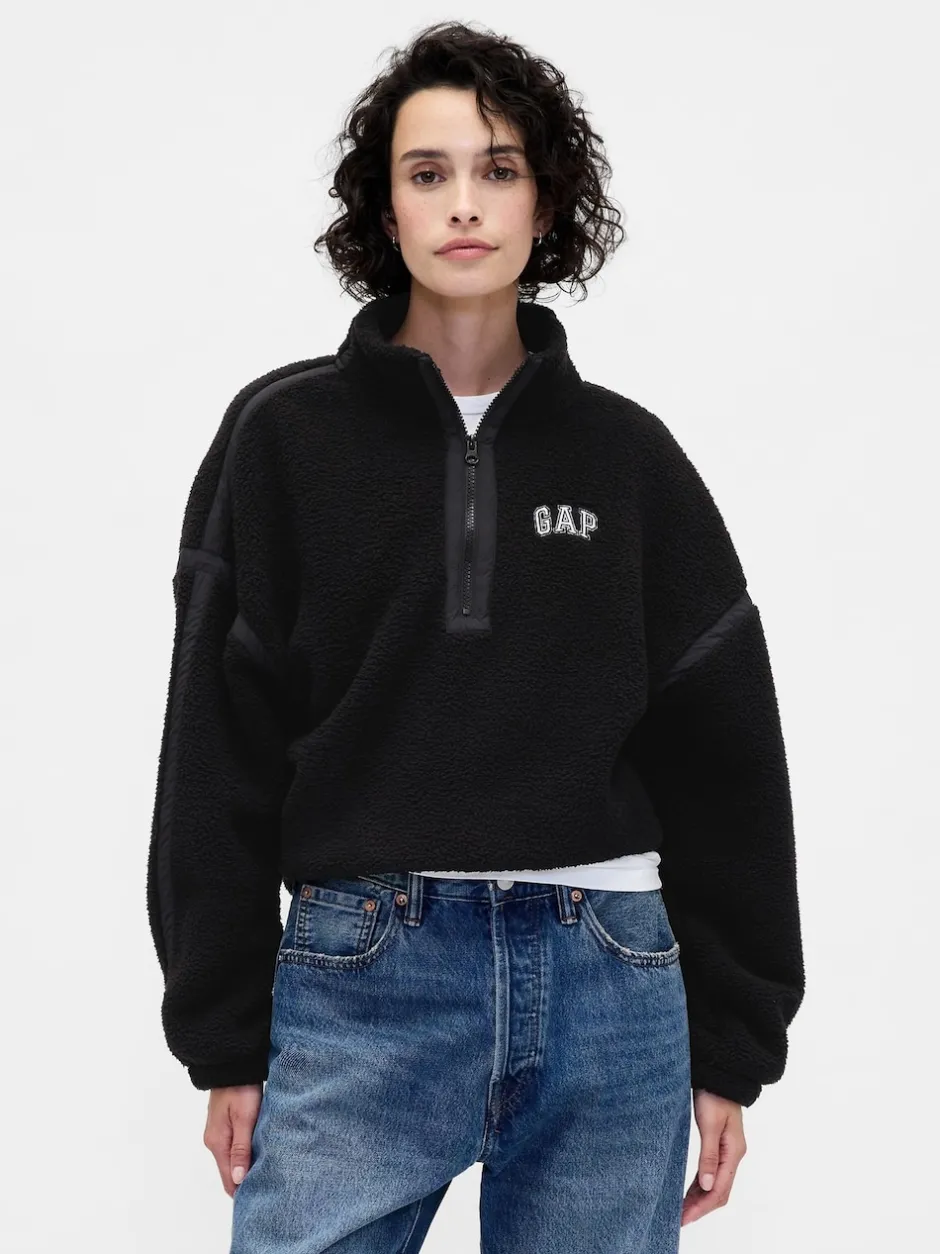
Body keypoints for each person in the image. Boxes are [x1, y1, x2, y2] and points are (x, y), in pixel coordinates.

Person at [146, 20, 804, 1253]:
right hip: (365, 975)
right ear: (383, 207)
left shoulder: (629, 458)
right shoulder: (283, 438)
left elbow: (725, 760)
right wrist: (223, 1034)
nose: (463, 203)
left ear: (544, 204)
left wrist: (732, 1043)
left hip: (612, 975)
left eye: (498, 169)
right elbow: (215, 749)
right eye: (427, 171)